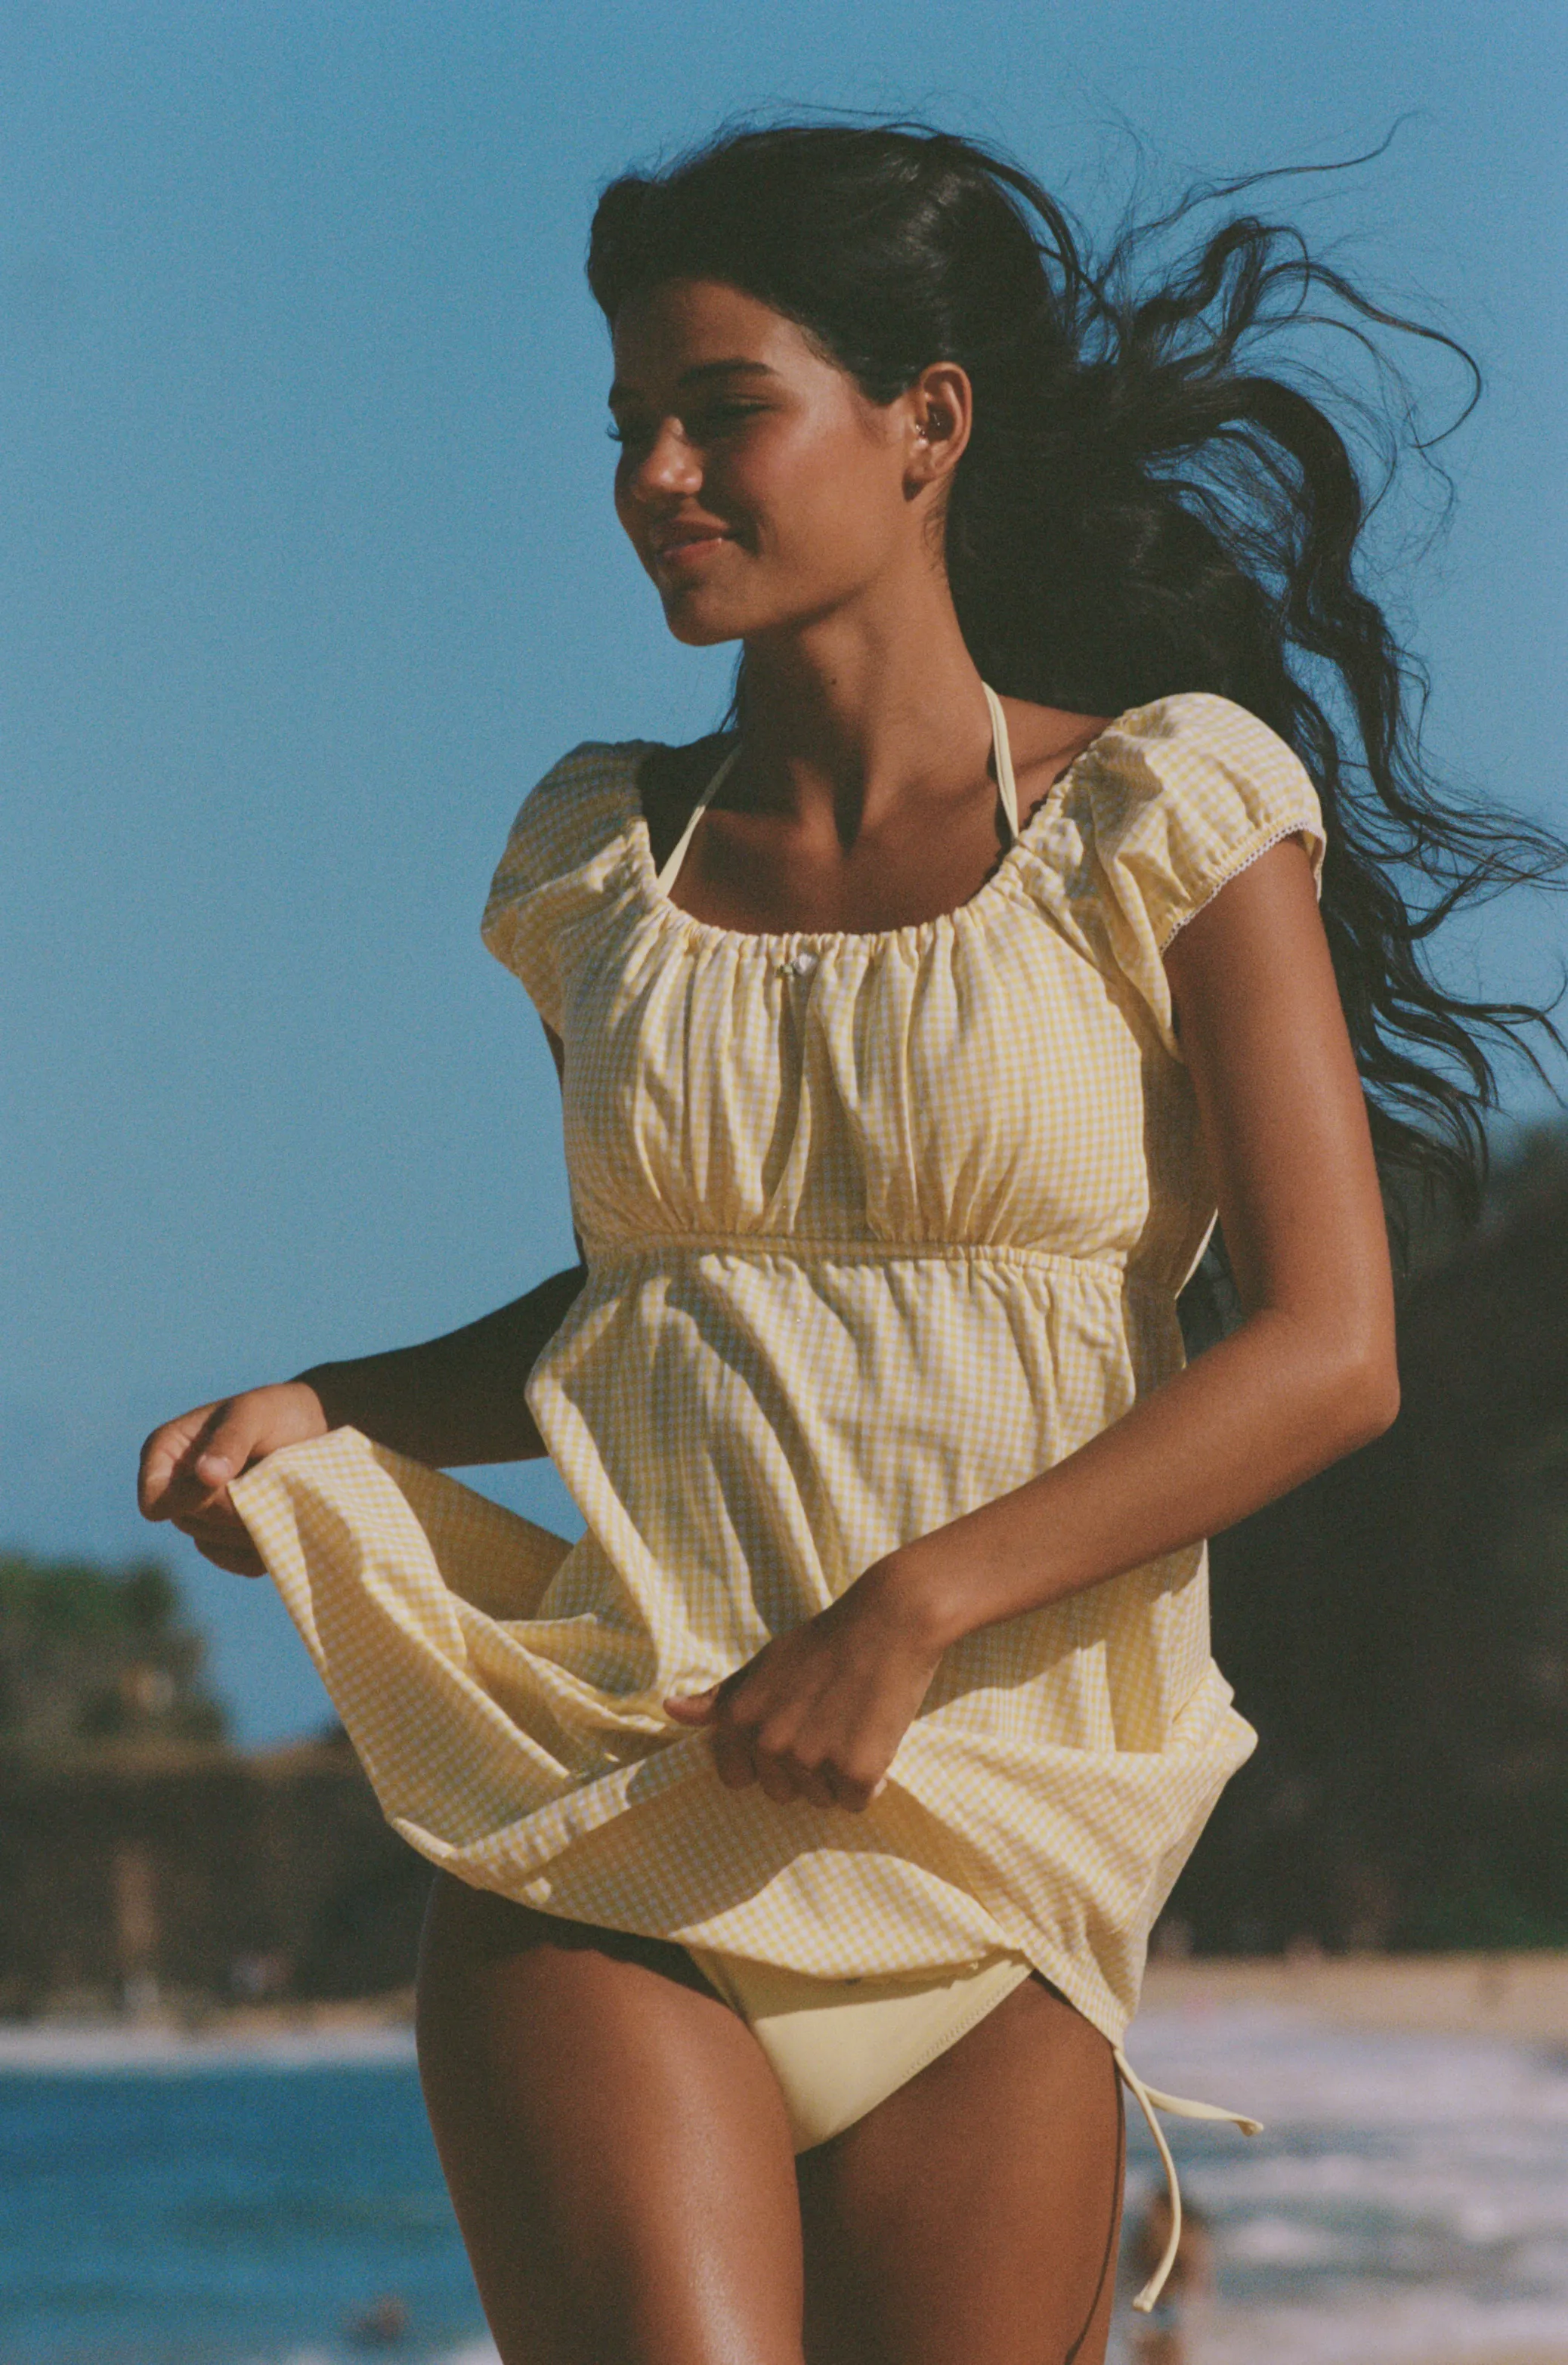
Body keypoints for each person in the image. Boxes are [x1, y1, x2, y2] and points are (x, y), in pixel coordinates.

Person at [138, 121, 1562, 2365]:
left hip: (1000, 1833)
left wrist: (915, 1613)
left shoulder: (1166, 811)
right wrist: (328, 1406)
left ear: (926, 424)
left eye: (725, 411)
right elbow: (661, 1310)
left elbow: (1326, 1347)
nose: (660, 474)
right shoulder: (603, 861)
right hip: (621, 1796)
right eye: (631, 423)